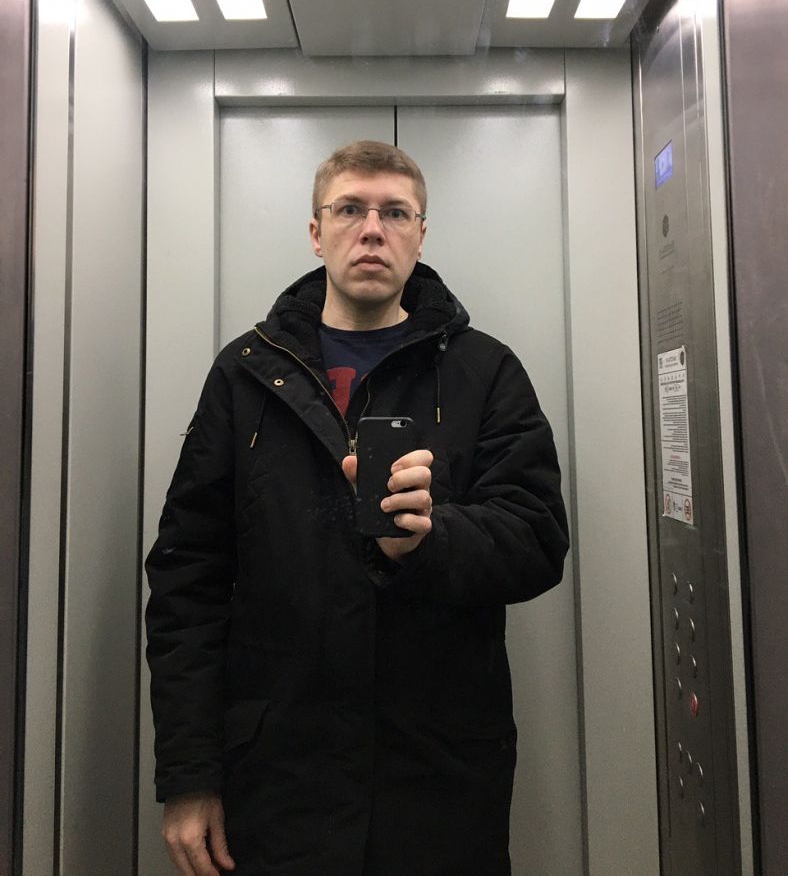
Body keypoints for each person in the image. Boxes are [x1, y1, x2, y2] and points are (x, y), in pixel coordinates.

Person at [145, 140, 569, 876]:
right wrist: (189, 776)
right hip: (279, 777)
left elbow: (537, 538)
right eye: (349, 210)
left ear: (420, 235)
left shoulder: (484, 371)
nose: (372, 230)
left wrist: (429, 542)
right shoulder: (247, 374)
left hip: (438, 781)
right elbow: (188, 582)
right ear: (317, 232)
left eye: (395, 213)